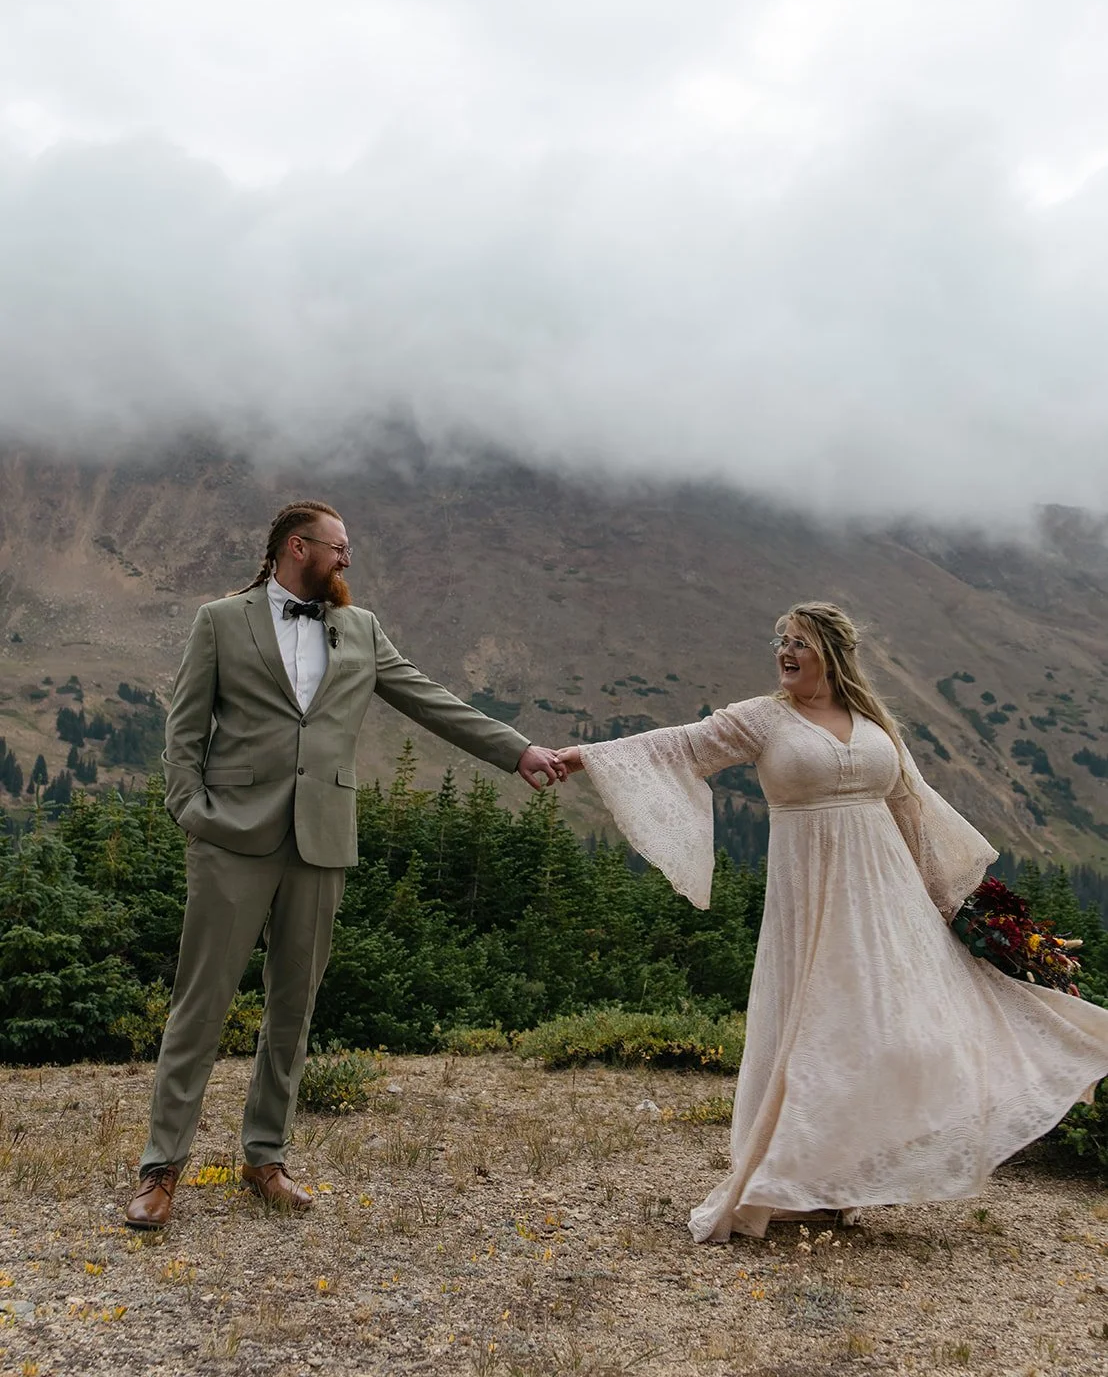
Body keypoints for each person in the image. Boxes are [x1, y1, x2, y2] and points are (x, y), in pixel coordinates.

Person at [555, 600, 1108, 1242]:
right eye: (781, 640)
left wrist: (952, 900)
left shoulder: (874, 722)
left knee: (897, 1027)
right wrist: (583, 756)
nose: (785, 652)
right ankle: (791, 1179)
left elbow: (910, 810)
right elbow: (680, 744)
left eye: (800, 643)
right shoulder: (761, 719)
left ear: (833, 654)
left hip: (889, 898)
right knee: (817, 1026)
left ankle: (841, 1173)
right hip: (811, 897)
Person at [125, 499, 564, 1230]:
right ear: (297, 548)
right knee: (200, 1006)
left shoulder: (359, 629)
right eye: (338, 547)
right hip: (230, 836)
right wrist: (190, 810)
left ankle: (265, 1158)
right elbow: (185, 727)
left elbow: (429, 699)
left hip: (322, 837)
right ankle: (159, 1169)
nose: (347, 560)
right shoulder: (220, 622)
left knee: (292, 1008)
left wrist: (517, 752)